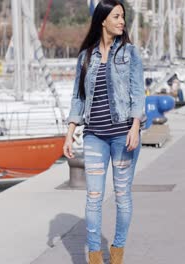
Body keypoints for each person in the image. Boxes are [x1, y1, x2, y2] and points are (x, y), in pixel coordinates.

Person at [62, 1, 145, 263]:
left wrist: (135, 127)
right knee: (93, 197)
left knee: (122, 196)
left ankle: (117, 251)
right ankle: (95, 257)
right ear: (103, 20)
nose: (122, 21)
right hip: (94, 136)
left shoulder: (130, 53)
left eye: (123, 17)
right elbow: (78, 96)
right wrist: (70, 132)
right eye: (117, 16)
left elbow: (138, 92)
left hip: (124, 136)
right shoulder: (86, 56)